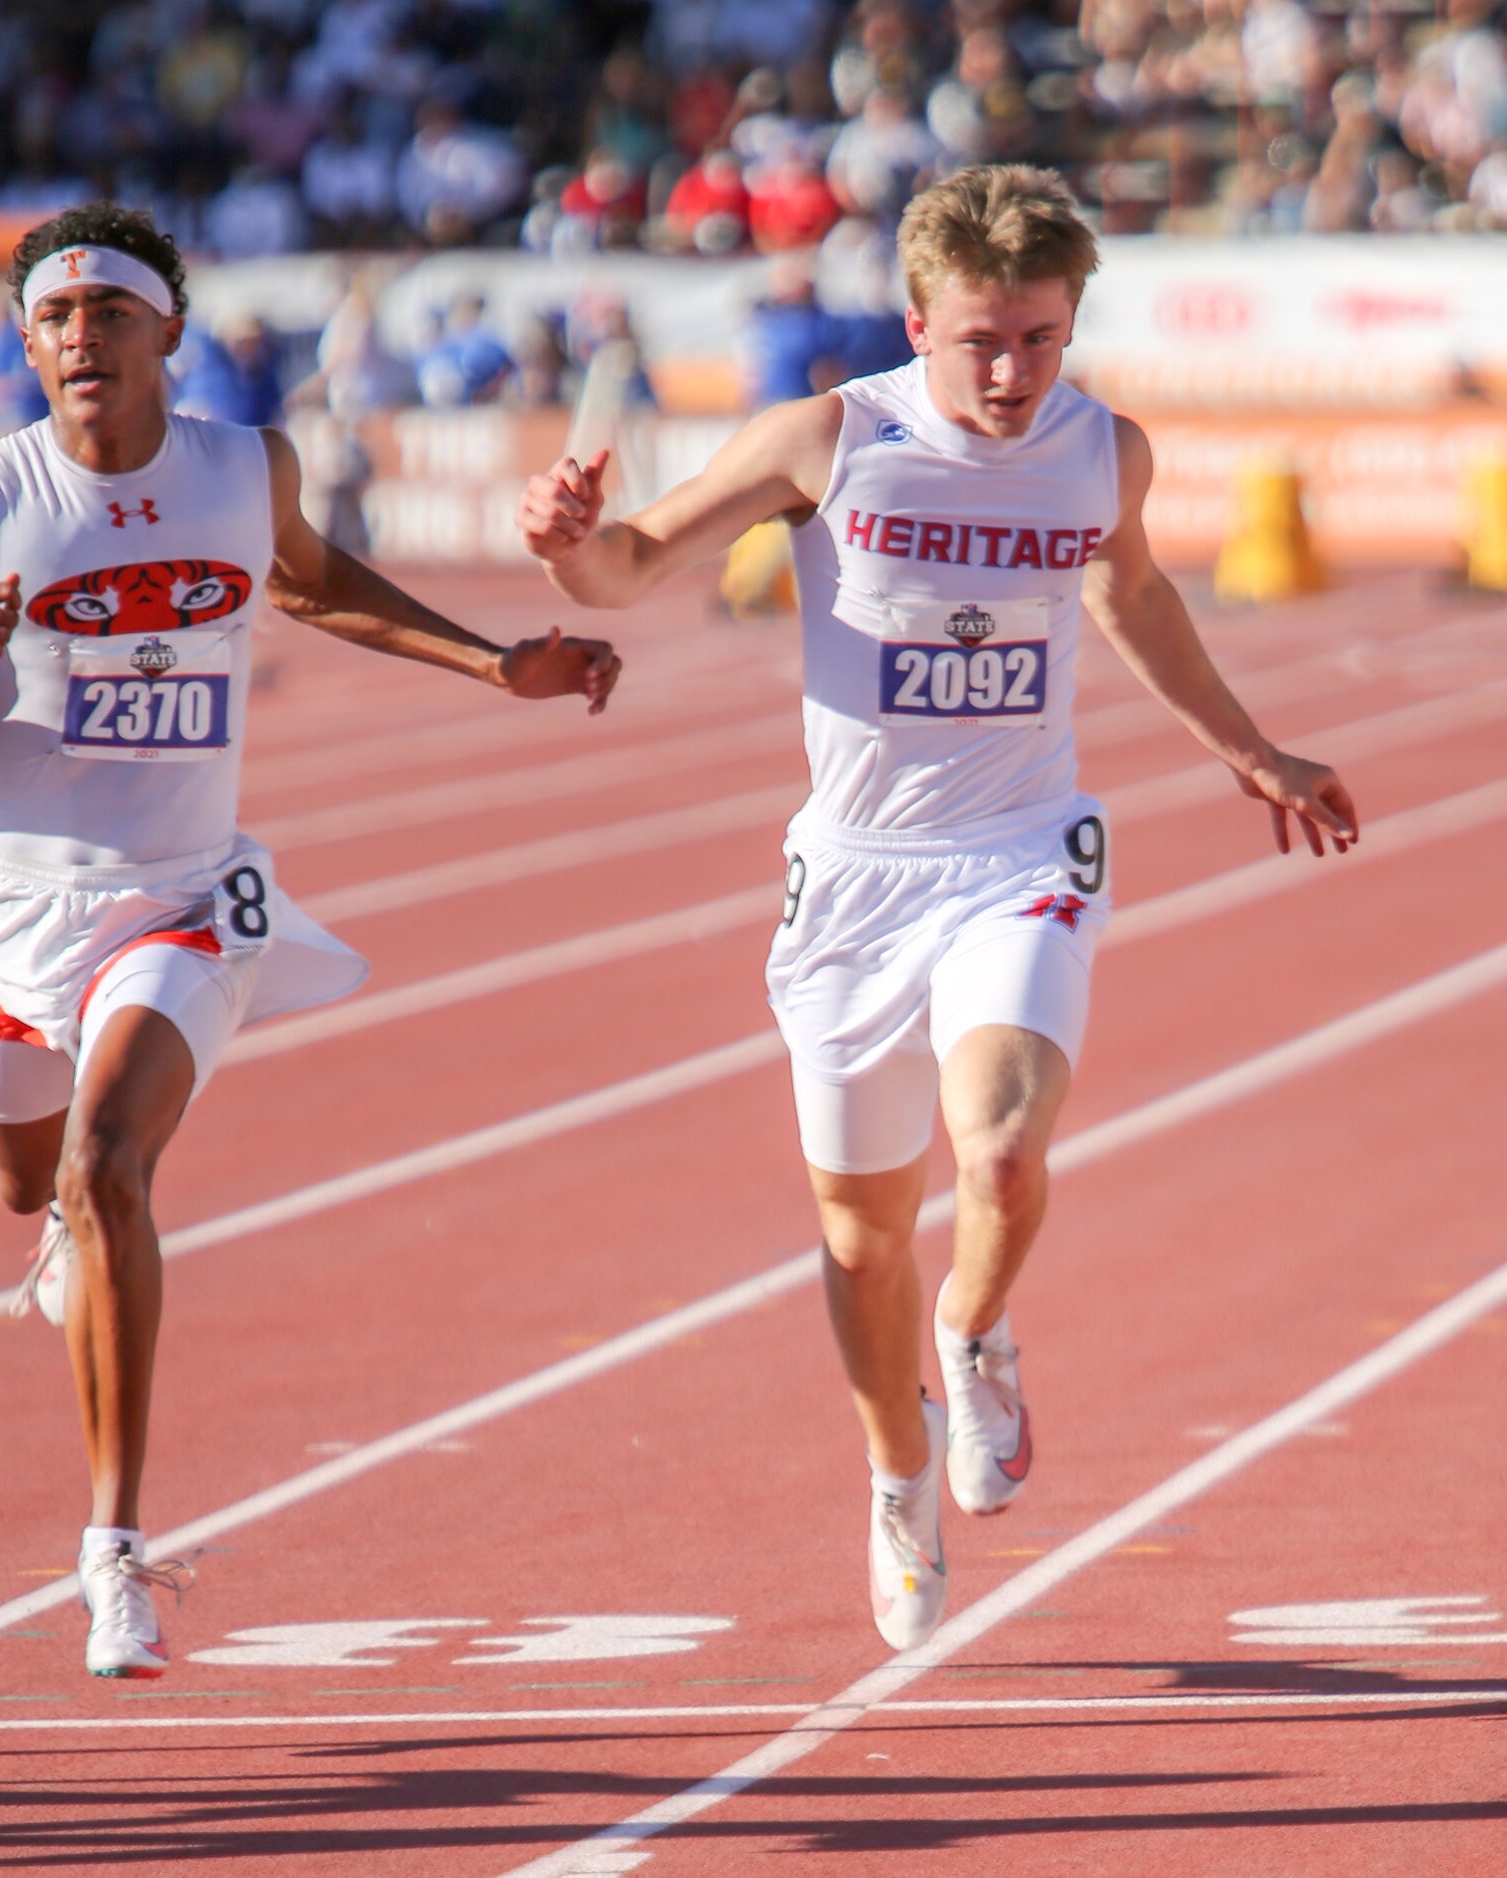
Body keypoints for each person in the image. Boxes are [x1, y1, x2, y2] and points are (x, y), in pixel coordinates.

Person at [516, 164, 1355, 1653]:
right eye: (983, 338)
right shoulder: (830, 439)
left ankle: (972, 1333)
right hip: (851, 882)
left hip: (1017, 849)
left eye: (1042, 337)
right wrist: (566, 541)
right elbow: (628, 568)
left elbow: (1136, 595)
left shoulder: (1104, 452)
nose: (1013, 371)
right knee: (857, 1237)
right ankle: (895, 1479)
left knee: (1005, 1150)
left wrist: (1251, 750)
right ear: (920, 320)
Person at [0, 202, 621, 1681]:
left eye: (108, 314)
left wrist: (498, 663)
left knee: (105, 1157)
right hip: (15, 904)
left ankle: (114, 1552)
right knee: (23, 1186)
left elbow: (311, 581)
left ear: (168, 331)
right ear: (26, 345)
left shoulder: (248, 469)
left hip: (185, 898)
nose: (79, 341)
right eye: (52, 320)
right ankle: (66, 1226)